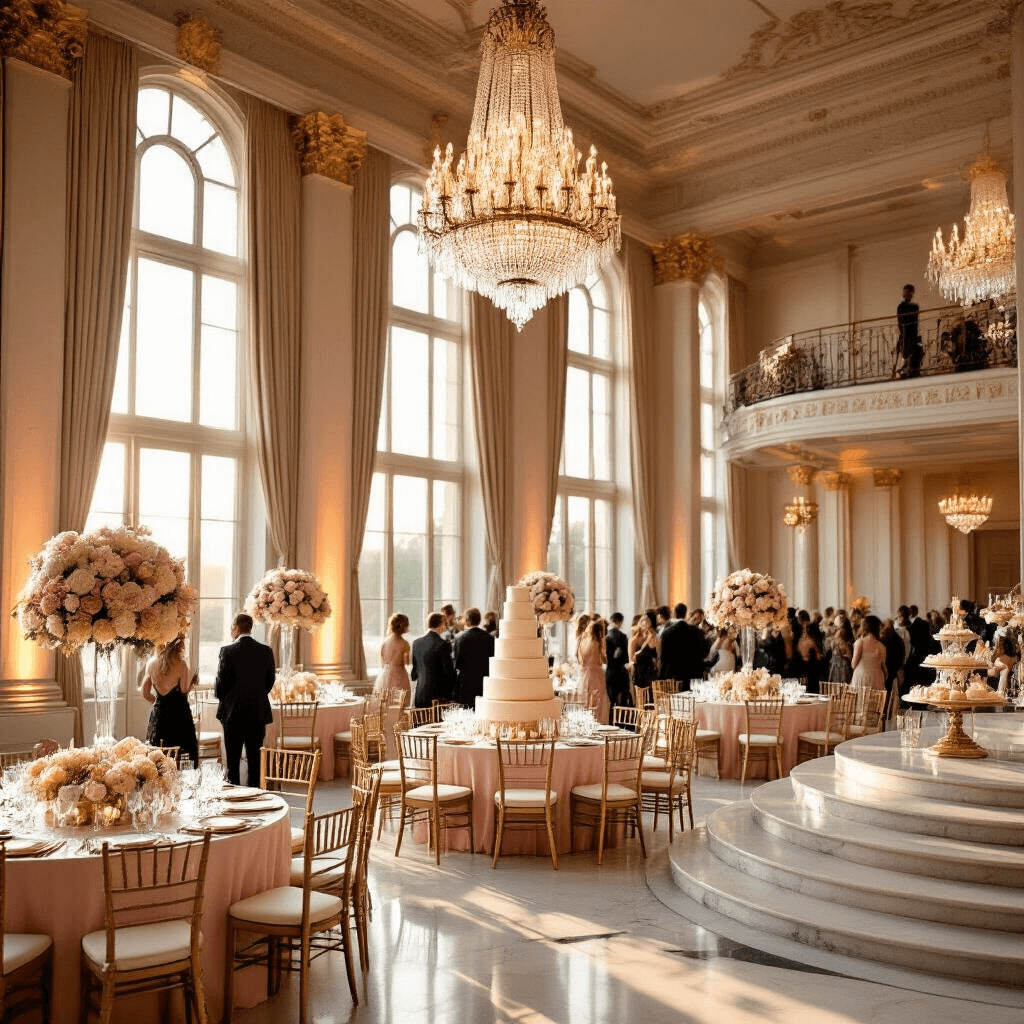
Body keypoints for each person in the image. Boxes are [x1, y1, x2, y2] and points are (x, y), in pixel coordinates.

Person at [215, 612, 276, 787]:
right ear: (250, 627)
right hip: (257, 712)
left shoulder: (227, 651)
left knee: (232, 763)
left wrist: (227, 698)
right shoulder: (266, 651)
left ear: (235, 628)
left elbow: (221, 685)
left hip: (233, 715)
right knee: (255, 761)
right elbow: (270, 680)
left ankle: (234, 799)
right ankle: (256, 798)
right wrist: (256, 695)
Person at [141, 635, 199, 767]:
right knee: (183, 752)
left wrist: (157, 701)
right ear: (179, 646)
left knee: (158, 752)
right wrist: (193, 682)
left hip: (159, 715)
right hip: (180, 715)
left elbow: (145, 693)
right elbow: (184, 690)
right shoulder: (181, 664)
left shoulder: (152, 663)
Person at [411, 612, 457, 708]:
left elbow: (414, 674)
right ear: (441, 625)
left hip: (420, 693)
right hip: (438, 695)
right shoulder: (442, 644)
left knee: (422, 722)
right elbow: (448, 673)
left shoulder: (416, 643)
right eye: (444, 624)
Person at [453, 607, 494, 706]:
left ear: (466, 620)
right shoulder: (489, 638)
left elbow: (457, 663)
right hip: (483, 681)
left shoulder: (460, 638)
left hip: (465, 682)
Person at [660, 603, 706, 688]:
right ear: (686, 614)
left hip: (674, 676)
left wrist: (661, 677)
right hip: (694, 675)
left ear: (674, 613)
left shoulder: (666, 632)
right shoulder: (697, 631)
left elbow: (663, 657)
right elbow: (704, 653)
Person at [373, 612, 411, 696]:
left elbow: (382, 661)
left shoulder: (385, 642)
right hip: (399, 674)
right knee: (400, 701)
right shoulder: (405, 644)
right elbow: (406, 662)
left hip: (385, 674)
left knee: (384, 701)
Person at [578, 617, 608, 723]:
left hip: (585, 675)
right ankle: (598, 722)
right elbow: (604, 660)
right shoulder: (598, 643)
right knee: (598, 701)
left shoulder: (582, 642)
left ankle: (586, 723)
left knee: (586, 700)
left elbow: (581, 661)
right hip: (596, 674)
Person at [851, 615, 887, 690]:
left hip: (862, 677)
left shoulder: (860, 643)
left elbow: (853, 665)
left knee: (860, 700)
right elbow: (883, 666)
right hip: (877, 678)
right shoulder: (881, 646)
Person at [895, 283, 923, 378]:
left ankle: (912, 370)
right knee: (905, 355)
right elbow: (902, 321)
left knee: (915, 353)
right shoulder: (902, 306)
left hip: (911, 334)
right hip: (906, 335)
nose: (908, 295)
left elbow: (913, 317)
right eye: (906, 292)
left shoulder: (913, 306)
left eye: (910, 293)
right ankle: (906, 370)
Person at [604, 612, 631, 711]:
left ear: (611, 621)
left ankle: (611, 720)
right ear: (620, 622)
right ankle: (621, 722)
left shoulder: (606, 637)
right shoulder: (623, 637)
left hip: (610, 671)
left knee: (611, 699)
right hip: (621, 672)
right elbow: (626, 658)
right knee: (622, 701)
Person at [629, 612, 660, 694]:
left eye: (647, 623)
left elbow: (658, 652)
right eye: (643, 623)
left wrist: (651, 636)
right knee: (640, 699)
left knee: (651, 698)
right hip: (638, 672)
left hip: (651, 671)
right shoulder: (633, 640)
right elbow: (632, 658)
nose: (645, 627)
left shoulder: (653, 637)